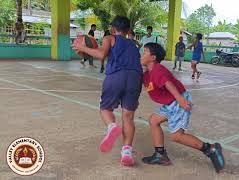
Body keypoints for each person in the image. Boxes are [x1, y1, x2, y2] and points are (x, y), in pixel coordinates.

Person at [140, 42, 225, 173]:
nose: (142, 53)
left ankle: (210, 149)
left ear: (153, 57)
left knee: (177, 136)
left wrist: (180, 99)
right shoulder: (147, 74)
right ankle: (160, 155)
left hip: (177, 100)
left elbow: (168, 84)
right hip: (170, 103)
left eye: (145, 51)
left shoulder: (157, 70)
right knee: (154, 120)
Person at [73, 16, 143, 166]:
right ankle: (126, 152)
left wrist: (83, 48)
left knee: (105, 108)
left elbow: (101, 55)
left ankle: (112, 127)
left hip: (116, 76)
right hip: (135, 78)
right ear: (128, 30)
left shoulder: (109, 38)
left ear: (112, 29)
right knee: (128, 117)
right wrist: (92, 48)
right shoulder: (133, 44)